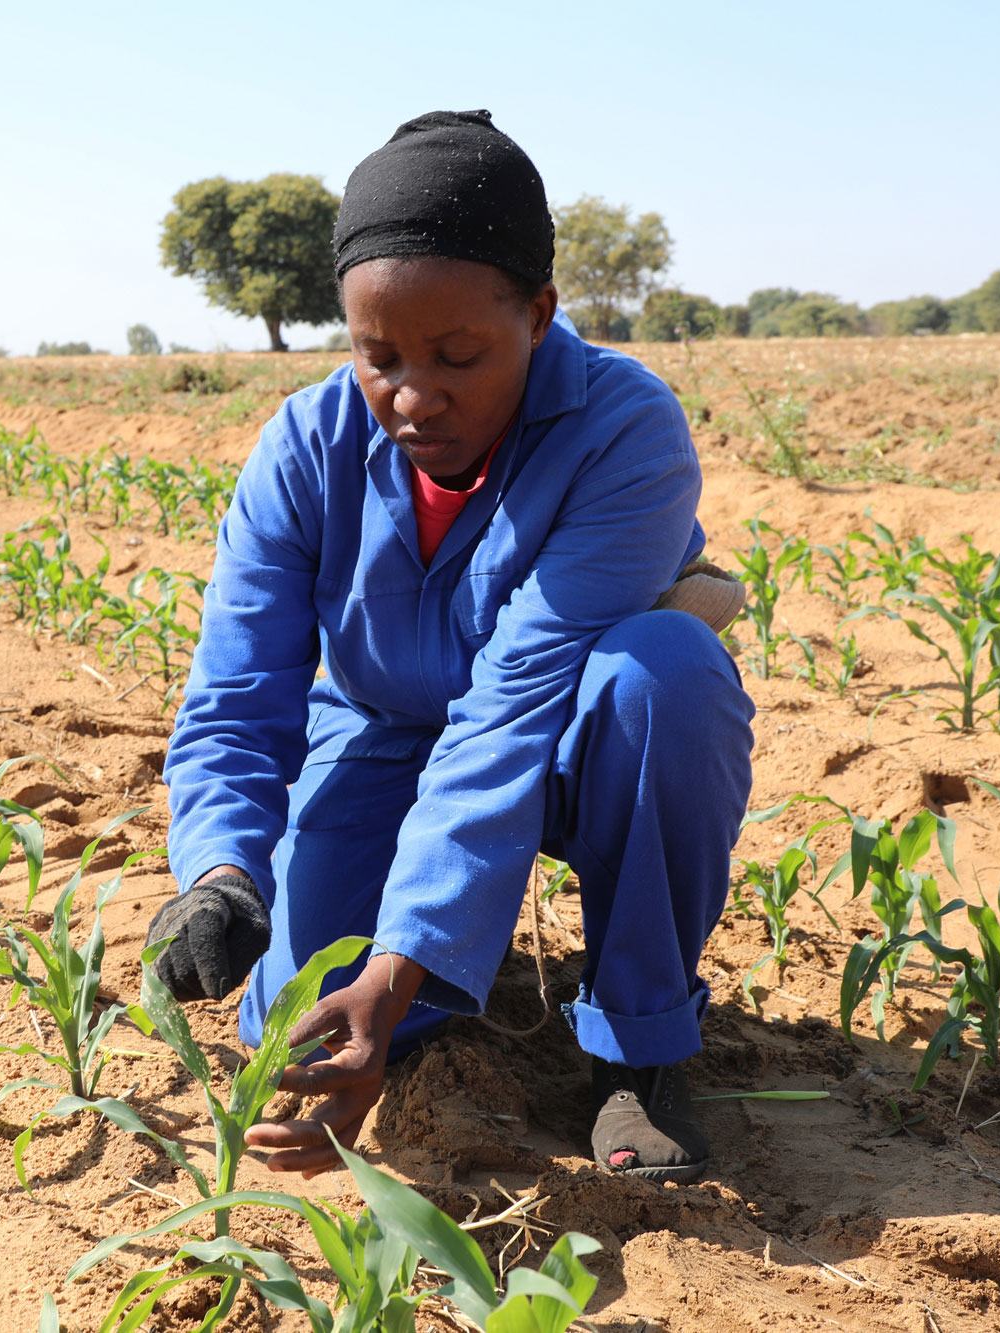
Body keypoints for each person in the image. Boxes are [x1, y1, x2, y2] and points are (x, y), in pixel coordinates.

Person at [149, 110, 756, 1184]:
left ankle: (638, 1045)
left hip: (571, 734)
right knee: (284, 1018)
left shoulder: (622, 430)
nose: (412, 397)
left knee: (663, 675)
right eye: (376, 356)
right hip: (384, 734)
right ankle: (427, 988)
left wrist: (390, 971)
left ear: (536, 313)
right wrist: (222, 872)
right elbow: (238, 691)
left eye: (458, 355)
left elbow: (511, 708)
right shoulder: (304, 446)